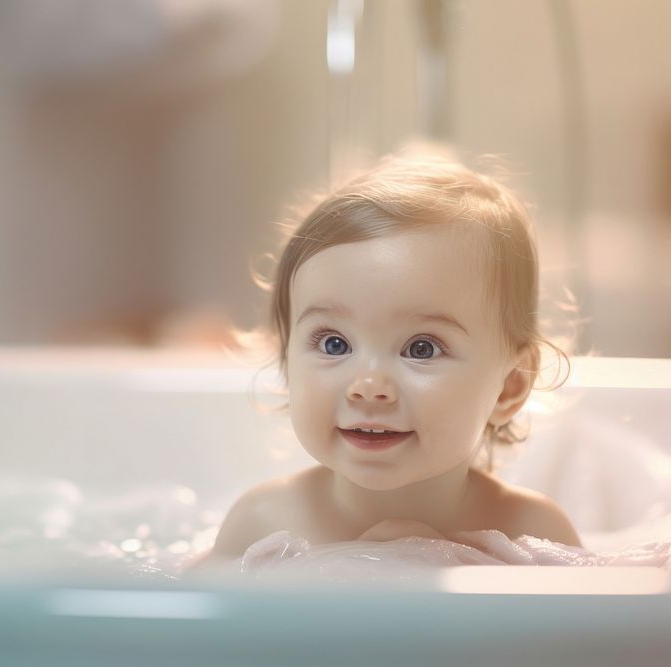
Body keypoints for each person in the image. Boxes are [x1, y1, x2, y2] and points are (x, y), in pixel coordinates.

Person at [200, 147, 582, 566]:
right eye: (334, 344)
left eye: (421, 348)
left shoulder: (533, 534)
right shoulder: (263, 523)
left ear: (510, 387)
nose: (369, 387)